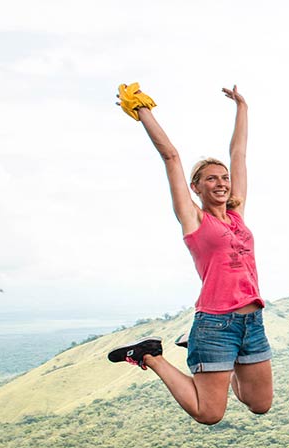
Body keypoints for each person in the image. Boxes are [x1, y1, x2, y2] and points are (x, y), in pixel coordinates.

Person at [107, 83, 273, 424]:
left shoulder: (237, 215)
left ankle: (205, 354)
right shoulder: (194, 219)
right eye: (210, 179)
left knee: (259, 404)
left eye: (224, 178)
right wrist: (142, 110)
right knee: (209, 413)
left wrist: (242, 107)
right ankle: (149, 355)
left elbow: (238, 153)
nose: (221, 183)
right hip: (216, 323)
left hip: (252, 322)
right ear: (195, 187)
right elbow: (170, 155)